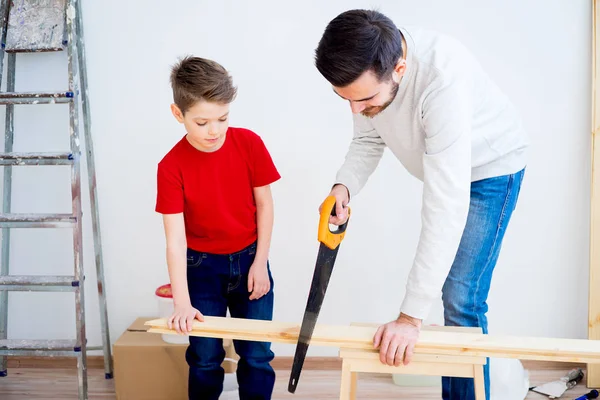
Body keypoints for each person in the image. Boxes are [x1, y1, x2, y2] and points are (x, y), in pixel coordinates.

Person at [314, 9, 528, 400]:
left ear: (399, 68)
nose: (354, 110)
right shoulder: (367, 75)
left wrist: (410, 319)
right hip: (448, 169)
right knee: (453, 295)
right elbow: (367, 138)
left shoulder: (442, 80)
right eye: (343, 97)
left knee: (462, 298)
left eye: (363, 99)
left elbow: (444, 208)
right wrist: (343, 187)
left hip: (490, 169)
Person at [155, 56, 281, 400]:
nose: (214, 131)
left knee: (256, 355)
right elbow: (175, 242)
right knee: (205, 358)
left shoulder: (249, 144)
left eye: (222, 119)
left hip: (251, 260)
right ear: (178, 114)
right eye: (202, 122)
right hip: (201, 268)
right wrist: (181, 302)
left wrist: (260, 263)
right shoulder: (170, 167)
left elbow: (265, 205)